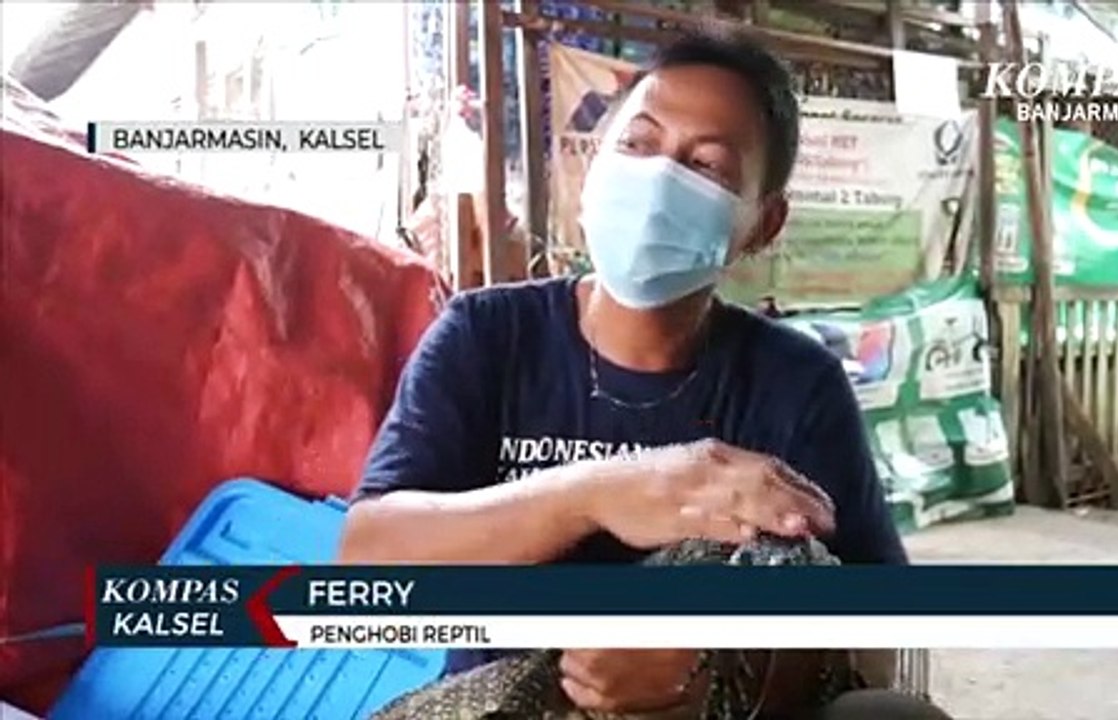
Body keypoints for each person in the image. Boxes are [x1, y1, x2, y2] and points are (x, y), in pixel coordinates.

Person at [341, 26, 950, 719]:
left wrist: (706, 674)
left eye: (707, 166)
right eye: (638, 144)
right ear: (593, 163)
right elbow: (368, 558)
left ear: (763, 224)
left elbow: (880, 628)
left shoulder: (794, 381)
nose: (661, 178)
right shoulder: (485, 336)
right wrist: (597, 493)